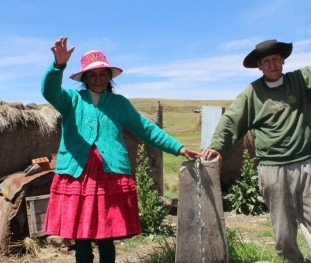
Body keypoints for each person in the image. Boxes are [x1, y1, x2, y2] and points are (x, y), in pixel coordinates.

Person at [201, 6, 311, 263]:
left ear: (283, 61)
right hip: (272, 170)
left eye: (275, 59)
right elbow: (232, 120)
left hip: (305, 166)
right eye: (266, 61)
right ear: (259, 67)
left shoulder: (301, 82)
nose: (271, 64)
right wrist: (217, 146)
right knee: (283, 231)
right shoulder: (252, 94)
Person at [41, 37, 199, 263]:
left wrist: (179, 147)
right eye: (92, 75)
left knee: (106, 233)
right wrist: (57, 66)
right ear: (84, 78)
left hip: (109, 175)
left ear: (109, 77)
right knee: (82, 235)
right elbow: (49, 90)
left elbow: (147, 130)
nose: (98, 79)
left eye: (103, 74)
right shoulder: (72, 100)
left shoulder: (120, 104)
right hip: (79, 175)